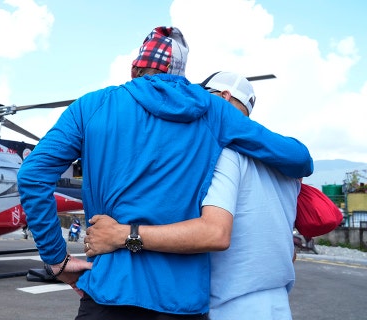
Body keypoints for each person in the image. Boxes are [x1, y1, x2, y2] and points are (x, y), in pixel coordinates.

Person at [17, 26, 313, 319]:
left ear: (135, 69)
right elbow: (299, 159)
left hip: (110, 291)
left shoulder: (92, 106)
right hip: (182, 302)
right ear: (181, 75)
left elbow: (32, 177)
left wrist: (57, 259)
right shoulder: (213, 110)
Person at [83, 71, 300, 319]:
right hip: (278, 303)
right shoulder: (287, 168)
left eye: (204, 99)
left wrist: (123, 234)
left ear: (224, 99)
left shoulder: (224, 154)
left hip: (231, 305)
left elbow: (215, 233)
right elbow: (288, 251)